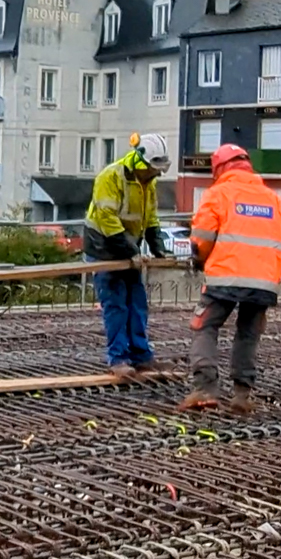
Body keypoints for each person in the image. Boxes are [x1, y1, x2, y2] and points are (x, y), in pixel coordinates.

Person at [180, 143, 281, 415]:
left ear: (219, 168)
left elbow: (203, 237)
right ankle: (242, 394)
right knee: (248, 334)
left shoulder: (218, 194)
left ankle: (205, 389)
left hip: (224, 278)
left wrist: (200, 259)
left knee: (204, 326)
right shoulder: (273, 199)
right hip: (264, 282)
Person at [83, 132, 171, 379]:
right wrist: (131, 250)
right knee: (116, 304)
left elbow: (150, 216)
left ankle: (141, 355)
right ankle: (119, 357)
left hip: (128, 245)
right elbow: (107, 218)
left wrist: (157, 244)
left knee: (136, 301)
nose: (157, 174)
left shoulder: (147, 182)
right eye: (154, 169)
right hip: (103, 247)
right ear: (141, 162)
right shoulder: (110, 177)